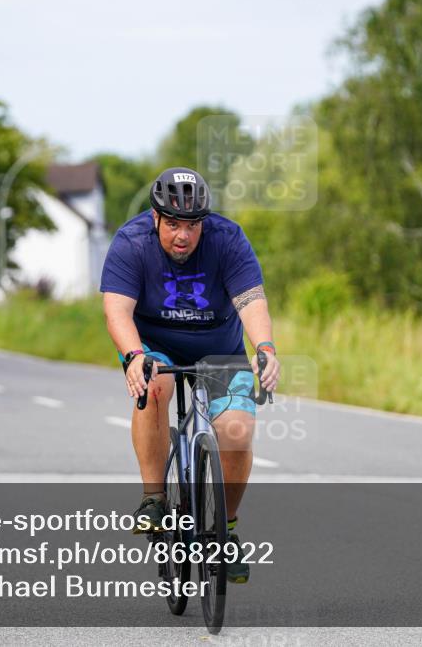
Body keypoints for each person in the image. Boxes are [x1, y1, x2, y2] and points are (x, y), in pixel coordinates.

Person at [100, 166, 281, 584]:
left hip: (219, 348)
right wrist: (133, 356)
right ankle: (154, 499)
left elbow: (251, 301)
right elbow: (117, 311)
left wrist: (265, 348)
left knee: (237, 429)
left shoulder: (228, 239)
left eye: (193, 225)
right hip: (154, 346)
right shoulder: (131, 242)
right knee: (156, 383)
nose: (183, 235)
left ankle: (226, 531)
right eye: (174, 224)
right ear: (155, 218)